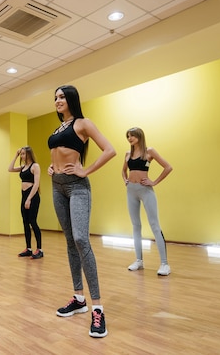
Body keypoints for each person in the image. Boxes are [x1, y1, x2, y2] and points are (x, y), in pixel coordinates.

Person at [47, 85, 116, 338]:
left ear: (72, 99)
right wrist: (51, 167)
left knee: (80, 239)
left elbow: (110, 150)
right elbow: (58, 154)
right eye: (55, 97)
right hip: (57, 187)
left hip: (77, 188)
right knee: (68, 242)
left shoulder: (83, 123)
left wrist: (85, 171)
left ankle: (97, 308)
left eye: (62, 96)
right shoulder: (59, 128)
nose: (57, 100)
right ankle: (79, 298)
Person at [121, 127, 173, 276]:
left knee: (154, 225)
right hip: (131, 191)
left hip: (145, 191)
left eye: (132, 136)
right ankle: (139, 260)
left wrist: (154, 182)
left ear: (139, 136)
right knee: (136, 225)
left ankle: (164, 264)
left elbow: (168, 167)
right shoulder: (127, 154)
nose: (130, 138)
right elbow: (123, 171)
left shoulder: (149, 152)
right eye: (128, 136)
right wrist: (125, 180)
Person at [8, 146, 43, 259]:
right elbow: (10, 168)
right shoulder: (23, 167)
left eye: (24, 154)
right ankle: (28, 248)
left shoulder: (35, 166)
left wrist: (29, 199)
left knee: (33, 221)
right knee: (25, 222)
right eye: (21, 154)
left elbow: (36, 184)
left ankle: (39, 249)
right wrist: (16, 155)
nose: (22, 156)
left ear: (29, 154)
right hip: (24, 196)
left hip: (32, 196)